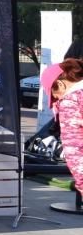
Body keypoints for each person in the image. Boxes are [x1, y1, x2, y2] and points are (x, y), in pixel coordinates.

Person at [42, 59, 83, 195]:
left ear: (60, 84)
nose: (56, 101)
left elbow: (75, 152)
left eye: (55, 96)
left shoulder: (70, 103)